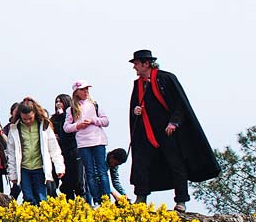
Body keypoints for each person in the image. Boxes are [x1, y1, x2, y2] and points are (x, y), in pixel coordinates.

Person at [129, 49, 220, 212]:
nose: (134, 67)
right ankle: (141, 197)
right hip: (147, 132)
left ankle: (181, 201)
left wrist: (174, 123)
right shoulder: (138, 84)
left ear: (146, 63)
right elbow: (135, 105)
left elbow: (180, 104)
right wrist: (136, 111)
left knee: (176, 164)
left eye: (136, 64)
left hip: (168, 132)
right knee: (141, 163)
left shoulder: (166, 78)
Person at [6, 98, 65, 205]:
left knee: (41, 197)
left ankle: (43, 219)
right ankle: (30, 219)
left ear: (35, 114)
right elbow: (11, 153)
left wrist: (59, 167)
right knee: (28, 198)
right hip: (23, 169)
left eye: (30, 118)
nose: (27, 121)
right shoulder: (14, 129)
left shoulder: (44, 126)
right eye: (24, 119)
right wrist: (13, 174)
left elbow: (54, 148)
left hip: (40, 167)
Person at [63, 80, 111, 206]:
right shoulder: (71, 109)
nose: (86, 92)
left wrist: (93, 120)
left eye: (87, 89)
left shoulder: (94, 104)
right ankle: (97, 200)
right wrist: (78, 125)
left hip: (98, 140)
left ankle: (106, 199)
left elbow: (105, 121)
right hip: (83, 143)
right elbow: (66, 127)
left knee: (101, 171)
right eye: (83, 90)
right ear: (76, 92)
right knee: (90, 173)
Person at [50, 94, 85, 201]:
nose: (58, 104)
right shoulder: (53, 119)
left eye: (60, 101)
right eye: (56, 102)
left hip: (73, 150)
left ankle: (83, 201)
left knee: (78, 179)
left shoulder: (73, 116)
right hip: (61, 152)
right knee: (66, 182)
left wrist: (64, 116)